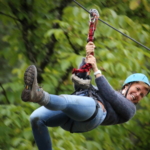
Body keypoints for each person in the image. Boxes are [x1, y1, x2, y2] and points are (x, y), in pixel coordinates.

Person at [21, 42, 150, 150]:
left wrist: (96, 69)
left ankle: (39, 95)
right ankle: (38, 95)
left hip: (94, 113)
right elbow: (80, 86)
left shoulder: (130, 109)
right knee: (36, 118)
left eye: (142, 95)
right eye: (137, 89)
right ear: (127, 86)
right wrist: (87, 58)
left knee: (66, 99)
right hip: (72, 118)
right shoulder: (100, 90)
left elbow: (112, 97)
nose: (138, 94)